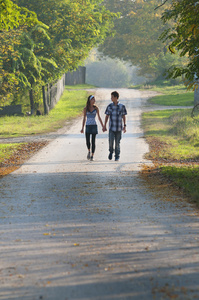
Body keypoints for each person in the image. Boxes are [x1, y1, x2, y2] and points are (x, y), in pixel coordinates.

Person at [103, 91, 127, 161]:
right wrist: (104, 125)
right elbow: (107, 116)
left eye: (112, 97)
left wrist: (124, 126)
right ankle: (111, 151)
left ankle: (117, 155)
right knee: (110, 141)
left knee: (117, 143)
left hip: (119, 128)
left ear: (116, 97)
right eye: (111, 97)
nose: (111, 98)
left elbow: (123, 116)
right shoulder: (110, 106)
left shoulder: (122, 106)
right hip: (111, 128)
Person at [81, 95, 104, 161]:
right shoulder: (85, 109)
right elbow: (84, 118)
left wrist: (103, 126)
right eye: (92, 99)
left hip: (94, 125)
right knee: (87, 141)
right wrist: (82, 128)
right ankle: (89, 150)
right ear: (89, 100)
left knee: (93, 141)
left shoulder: (96, 108)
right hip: (88, 125)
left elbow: (99, 117)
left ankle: (92, 155)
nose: (94, 101)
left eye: (94, 99)